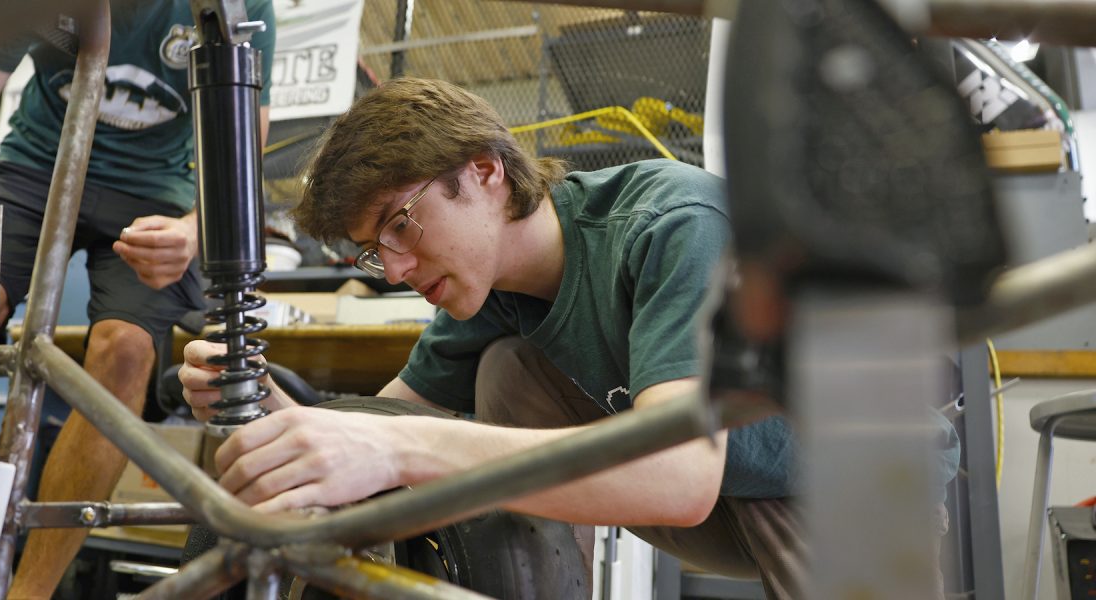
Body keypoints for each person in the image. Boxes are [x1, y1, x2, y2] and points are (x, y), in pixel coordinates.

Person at [177, 77, 960, 598]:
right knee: (506, 373)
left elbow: (680, 476)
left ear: (485, 172)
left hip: (842, 482)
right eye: (372, 250)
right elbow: (380, 428)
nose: (392, 268)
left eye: (400, 225)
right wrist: (273, 406)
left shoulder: (671, 226)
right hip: (719, 490)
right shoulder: (484, 295)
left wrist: (399, 452)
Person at [0, 3, 275, 597]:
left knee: (126, 352)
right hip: (36, 163)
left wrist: (192, 232)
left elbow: (242, 139)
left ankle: (28, 592)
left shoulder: (233, 4)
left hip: (155, 192)